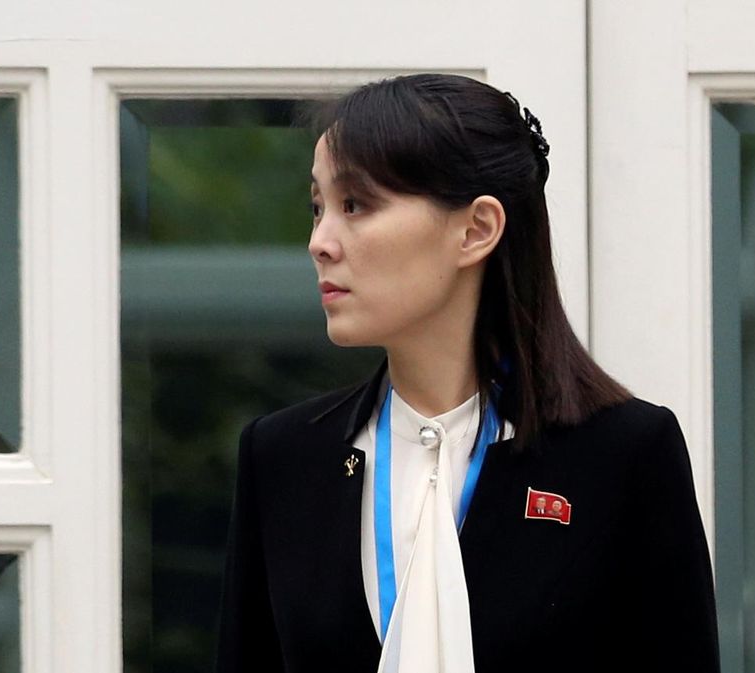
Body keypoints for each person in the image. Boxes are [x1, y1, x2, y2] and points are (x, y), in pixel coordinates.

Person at [215, 74, 720, 673]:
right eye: (318, 208)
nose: (320, 242)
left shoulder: (623, 453)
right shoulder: (284, 456)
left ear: (476, 229)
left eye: (355, 205)